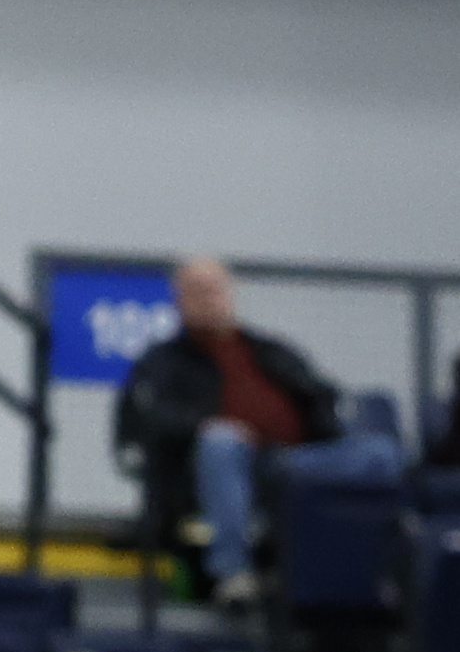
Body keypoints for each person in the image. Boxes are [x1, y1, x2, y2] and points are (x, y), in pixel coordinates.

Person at [116, 257, 398, 609]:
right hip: (226, 466)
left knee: (379, 453)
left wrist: (328, 419)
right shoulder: (162, 361)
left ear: (231, 294)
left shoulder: (269, 350)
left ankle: (381, 577)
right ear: (178, 299)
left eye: (214, 290)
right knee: (220, 443)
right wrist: (204, 425)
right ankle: (234, 574)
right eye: (196, 291)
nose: (208, 299)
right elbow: (144, 420)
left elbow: (321, 394)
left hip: (296, 461)